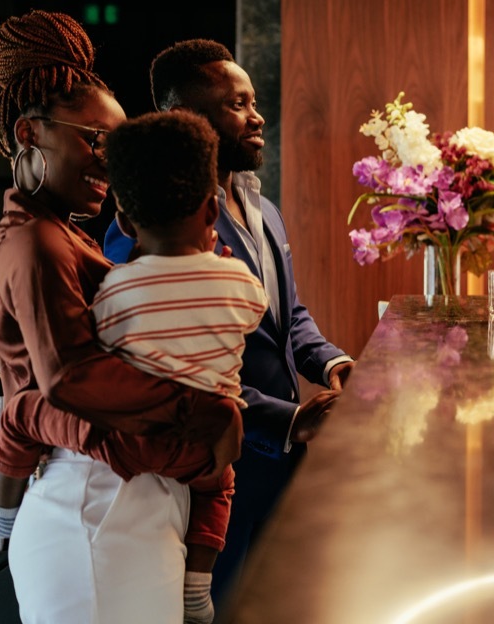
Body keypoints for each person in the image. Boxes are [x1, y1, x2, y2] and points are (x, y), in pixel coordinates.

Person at [0, 10, 243, 623]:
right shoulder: (36, 241)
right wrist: (203, 412)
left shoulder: (64, 234)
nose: (109, 164)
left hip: (116, 500)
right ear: (29, 133)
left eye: (118, 150)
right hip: (91, 506)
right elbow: (69, 380)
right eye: (96, 141)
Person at [104, 39, 354, 604]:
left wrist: (332, 362)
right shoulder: (145, 228)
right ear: (185, 118)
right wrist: (289, 420)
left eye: (254, 101)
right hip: (207, 471)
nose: (257, 115)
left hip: (282, 466)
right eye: (237, 104)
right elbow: (166, 367)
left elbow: (288, 316)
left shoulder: (264, 208)